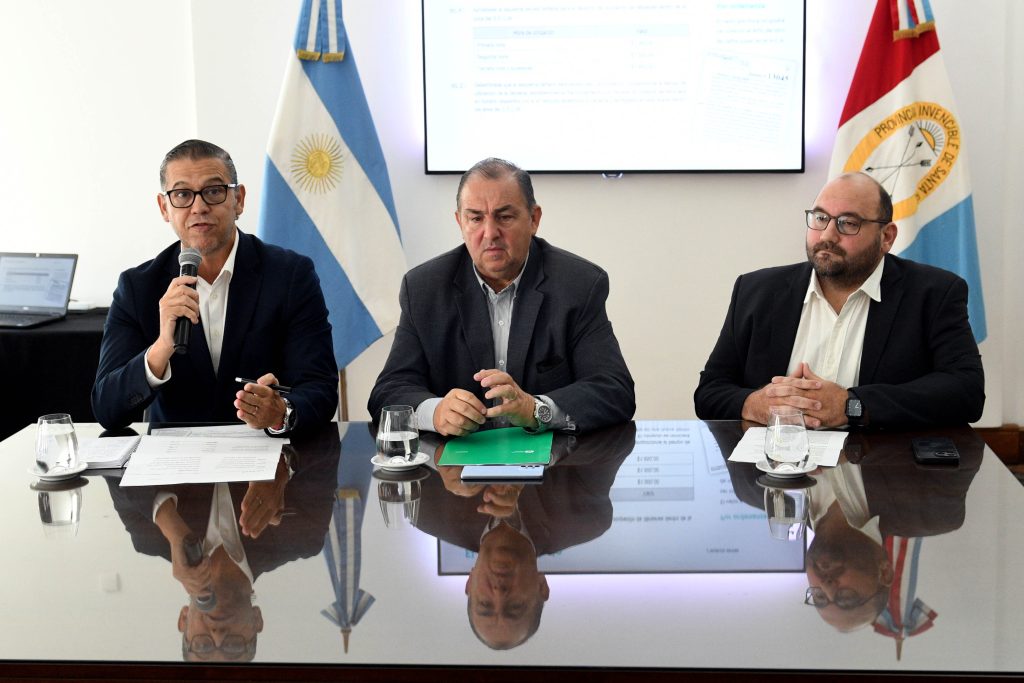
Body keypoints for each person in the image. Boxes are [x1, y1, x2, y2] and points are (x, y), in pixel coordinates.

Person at [694, 172, 984, 429]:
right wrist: (755, 404)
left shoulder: (933, 293)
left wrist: (851, 405)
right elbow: (709, 392)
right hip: (777, 465)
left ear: (886, 237)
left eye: (848, 223)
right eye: (820, 218)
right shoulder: (757, 291)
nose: (828, 235)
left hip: (881, 466)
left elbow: (966, 392)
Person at [368, 157, 634, 436]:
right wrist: (434, 412)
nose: (490, 233)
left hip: (553, 460)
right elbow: (388, 391)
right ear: (460, 222)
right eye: (475, 218)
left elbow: (614, 389)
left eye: (504, 217)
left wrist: (536, 409)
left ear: (534, 219)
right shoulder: (423, 288)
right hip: (455, 460)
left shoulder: (578, 285)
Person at [92, 139, 338, 433]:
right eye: (182, 194)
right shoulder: (138, 287)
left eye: (213, 191)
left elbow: (321, 389)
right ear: (164, 207)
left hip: (265, 453)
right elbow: (107, 409)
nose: (199, 207)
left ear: (239, 200)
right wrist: (162, 348)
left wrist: (280, 412)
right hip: (176, 458)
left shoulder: (290, 275)